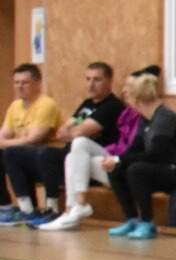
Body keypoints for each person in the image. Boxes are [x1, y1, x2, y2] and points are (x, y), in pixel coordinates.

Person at [40, 66, 148, 232]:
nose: (124, 91)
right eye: (88, 79)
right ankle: (71, 210)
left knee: (80, 143)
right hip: (111, 163)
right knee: (73, 154)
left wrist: (117, 159)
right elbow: (61, 133)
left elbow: (137, 150)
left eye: (129, 88)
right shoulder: (123, 113)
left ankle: (78, 206)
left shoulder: (127, 112)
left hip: (125, 169)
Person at [18, 61, 125, 228]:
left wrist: (74, 131)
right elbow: (62, 132)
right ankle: (62, 210)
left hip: (102, 160)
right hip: (78, 158)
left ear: (109, 81)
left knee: (76, 144)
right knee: (16, 154)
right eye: (88, 79)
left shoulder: (112, 106)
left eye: (97, 80)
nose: (91, 84)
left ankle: (57, 209)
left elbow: (76, 133)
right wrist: (74, 131)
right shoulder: (87, 104)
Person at [105, 70, 176, 240]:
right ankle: (132, 219)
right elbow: (135, 149)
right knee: (117, 168)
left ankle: (147, 222)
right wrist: (116, 160)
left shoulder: (165, 117)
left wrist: (119, 159)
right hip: (163, 168)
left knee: (136, 170)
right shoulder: (145, 119)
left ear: (137, 99)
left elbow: (155, 154)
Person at [0, 64, 66, 225]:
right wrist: (9, 142)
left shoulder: (46, 104)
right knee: (11, 153)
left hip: (50, 163)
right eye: (16, 82)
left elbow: (34, 139)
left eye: (25, 82)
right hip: (24, 159)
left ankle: (35, 209)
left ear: (38, 83)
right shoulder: (15, 106)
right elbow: (2, 136)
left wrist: (7, 143)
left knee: (12, 152)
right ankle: (8, 207)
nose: (20, 87)